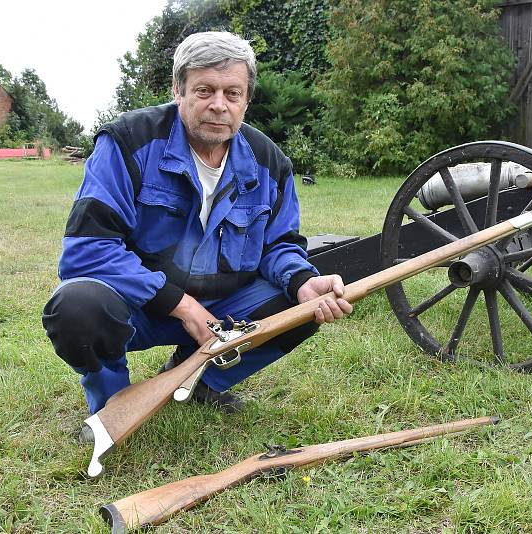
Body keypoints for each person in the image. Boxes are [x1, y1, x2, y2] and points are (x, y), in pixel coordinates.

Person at [42, 31, 352, 419]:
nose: (219, 106)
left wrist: (302, 280)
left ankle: (197, 382)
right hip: (138, 305)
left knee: (298, 308)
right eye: (204, 90)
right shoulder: (127, 142)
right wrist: (181, 305)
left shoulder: (269, 163)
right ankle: (111, 408)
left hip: (225, 308)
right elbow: (87, 250)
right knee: (76, 306)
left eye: (232, 94)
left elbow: (279, 245)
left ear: (246, 100)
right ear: (179, 90)